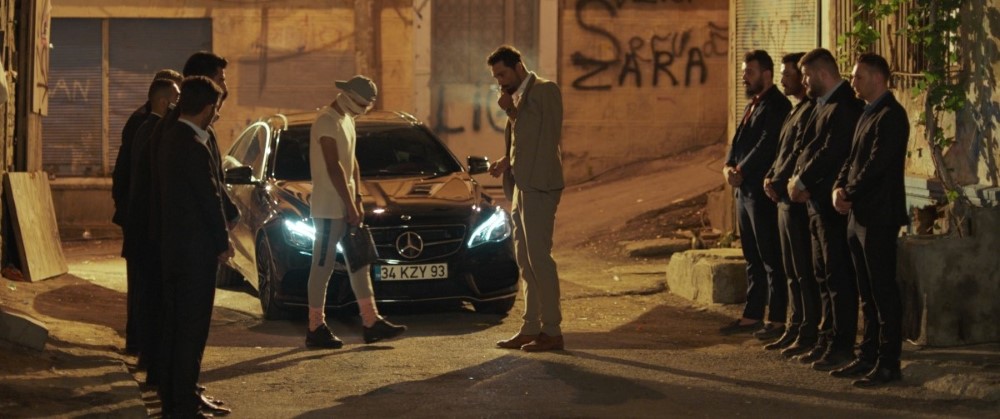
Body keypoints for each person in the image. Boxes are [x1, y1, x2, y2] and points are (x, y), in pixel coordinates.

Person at [305, 75, 407, 349]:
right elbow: (333, 166)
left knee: (359, 263)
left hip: (346, 204)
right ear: (348, 96)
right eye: (362, 104)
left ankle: (371, 322)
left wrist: (358, 198)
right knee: (322, 266)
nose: (364, 110)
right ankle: (315, 327)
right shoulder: (326, 121)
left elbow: (352, 162)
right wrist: (350, 203)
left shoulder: (347, 119)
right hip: (329, 208)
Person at [155, 76, 231, 418]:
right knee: (191, 329)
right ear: (208, 108)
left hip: (174, 250)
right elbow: (209, 198)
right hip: (194, 254)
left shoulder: (171, 137)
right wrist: (223, 242)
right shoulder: (193, 146)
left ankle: (178, 397)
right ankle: (183, 403)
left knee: (177, 328)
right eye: (216, 108)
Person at [831, 53, 909, 387]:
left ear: (877, 78)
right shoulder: (867, 113)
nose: (852, 82)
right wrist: (838, 188)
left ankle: (888, 363)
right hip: (858, 215)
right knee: (866, 292)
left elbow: (876, 165)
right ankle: (867, 356)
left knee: (882, 292)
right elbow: (852, 159)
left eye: (858, 76)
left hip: (879, 215)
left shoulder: (891, 115)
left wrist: (848, 192)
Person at [787, 48, 865, 372]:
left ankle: (841, 344)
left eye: (806, 75)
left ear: (821, 73)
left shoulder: (843, 105)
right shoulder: (823, 105)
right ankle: (826, 337)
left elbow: (832, 153)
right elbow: (808, 148)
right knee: (822, 275)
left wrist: (803, 180)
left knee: (837, 277)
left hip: (832, 207)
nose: (803, 82)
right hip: (816, 204)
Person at [487, 45, 566, 352]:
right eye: (496, 77)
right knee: (525, 261)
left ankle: (552, 330)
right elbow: (525, 141)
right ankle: (531, 326)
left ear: (519, 67)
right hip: (521, 186)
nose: (500, 81)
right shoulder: (517, 97)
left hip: (541, 186)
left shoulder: (545, 90)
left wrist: (510, 110)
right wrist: (506, 161)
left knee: (539, 259)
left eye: (502, 74)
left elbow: (547, 137)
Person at [719, 50, 791, 340]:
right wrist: (728, 167)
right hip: (743, 191)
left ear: (766, 74)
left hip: (761, 191)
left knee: (770, 256)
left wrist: (741, 170)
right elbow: (737, 141)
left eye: (749, 71)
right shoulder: (752, 105)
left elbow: (767, 144)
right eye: (743, 71)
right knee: (751, 255)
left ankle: (776, 319)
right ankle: (751, 315)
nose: (744, 77)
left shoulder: (778, 105)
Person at [111, 68, 181, 354]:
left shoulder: (149, 123)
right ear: (162, 97)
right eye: (176, 97)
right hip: (142, 219)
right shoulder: (146, 125)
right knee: (144, 285)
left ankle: (140, 343)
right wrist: (128, 211)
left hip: (141, 217)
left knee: (145, 285)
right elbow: (127, 172)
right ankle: (139, 343)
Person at [761, 52, 820, 353]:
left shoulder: (811, 110)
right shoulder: (795, 111)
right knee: (790, 270)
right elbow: (781, 152)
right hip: (782, 198)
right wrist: (770, 176)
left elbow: (800, 153)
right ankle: (794, 325)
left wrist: (779, 179)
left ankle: (808, 329)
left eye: (788, 74)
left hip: (796, 200)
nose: (782, 79)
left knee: (803, 270)